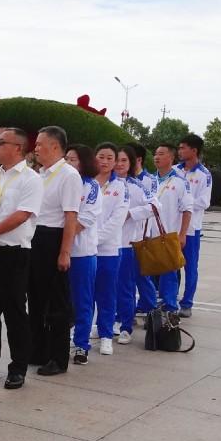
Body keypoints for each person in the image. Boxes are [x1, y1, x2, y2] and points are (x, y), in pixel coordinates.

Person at [0, 127, 42, 389]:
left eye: (2, 142)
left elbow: (22, 214)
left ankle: (18, 367)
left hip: (14, 252)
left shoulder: (30, 179)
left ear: (18, 148)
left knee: (14, 311)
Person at [28, 126, 83, 376]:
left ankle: (58, 357)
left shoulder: (68, 175)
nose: (36, 148)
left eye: (40, 144)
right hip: (35, 239)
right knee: (36, 299)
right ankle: (38, 350)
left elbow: (71, 216)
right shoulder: (40, 174)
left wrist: (65, 252)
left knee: (56, 302)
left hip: (54, 239)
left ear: (55, 147)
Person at [114, 145, 158, 345]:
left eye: (123, 160)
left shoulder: (136, 186)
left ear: (131, 163)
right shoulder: (101, 184)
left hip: (126, 244)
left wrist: (131, 214)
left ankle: (125, 326)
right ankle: (107, 323)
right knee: (105, 288)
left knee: (125, 287)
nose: (118, 164)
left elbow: (155, 205)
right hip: (101, 245)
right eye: (116, 159)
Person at [65, 145, 102, 365]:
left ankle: (81, 344)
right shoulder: (61, 181)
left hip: (81, 253)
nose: (69, 164)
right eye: (66, 159)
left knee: (83, 301)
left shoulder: (91, 186)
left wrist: (64, 243)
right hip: (58, 250)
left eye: (74, 160)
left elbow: (85, 220)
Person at [92, 142, 129, 355]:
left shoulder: (120, 187)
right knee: (86, 294)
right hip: (85, 250)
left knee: (106, 294)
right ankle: (85, 330)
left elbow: (118, 219)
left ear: (115, 162)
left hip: (108, 250)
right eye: (101, 157)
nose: (104, 162)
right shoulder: (85, 182)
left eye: (109, 158)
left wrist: (95, 239)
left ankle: (106, 335)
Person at [151, 143, 193, 315]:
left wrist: (182, 234)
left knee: (169, 275)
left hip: (169, 236)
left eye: (161, 154)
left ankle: (170, 308)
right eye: (155, 154)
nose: (156, 157)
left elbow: (187, 209)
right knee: (150, 275)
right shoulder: (148, 180)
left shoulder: (180, 182)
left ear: (171, 157)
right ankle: (151, 309)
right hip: (148, 236)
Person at [175, 134, 211, 318]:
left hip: (191, 229)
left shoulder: (204, 174)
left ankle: (187, 302)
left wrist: (183, 203)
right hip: (172, 228)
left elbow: (204, 202)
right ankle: (170, 299)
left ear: (194, 150)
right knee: (170, 266)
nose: (179, 151)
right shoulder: (174, 171)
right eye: (179, 148)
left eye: (183, 148)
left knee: (190, 267)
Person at [130, 143, 157, 319]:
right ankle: (130, 308)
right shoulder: (120, 179)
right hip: (125, 236)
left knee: (142, 274)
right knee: (128, 277)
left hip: (142, 234)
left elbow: (152, 206)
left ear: (137, 159)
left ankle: (150, 305)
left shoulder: (149, 180)